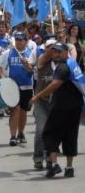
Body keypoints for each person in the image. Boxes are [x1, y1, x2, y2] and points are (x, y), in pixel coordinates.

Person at [29, 42, 85, 178]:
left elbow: (55, 84)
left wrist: (37, 96)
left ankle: (54, 165)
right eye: (55, 52)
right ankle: (69, 167)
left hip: (61, 107)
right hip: (75, 106)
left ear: (66, 52)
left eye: (60, 52)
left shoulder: (63, 67)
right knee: (70, 136)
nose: (57, 54)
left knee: (49, 134)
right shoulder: (73, 64)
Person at [0, 32, 33, 146]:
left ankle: (21, 133)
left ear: (26, 41)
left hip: (26, 86)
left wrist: (27, 65)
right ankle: (13, 136)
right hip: (13, 86)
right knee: (13, 111)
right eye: (17, 40)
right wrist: (2, 76)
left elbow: (31, 70)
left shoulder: (31, 53)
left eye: (21, 40)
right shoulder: (9, 52)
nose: (18, 42)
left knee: (23, 112)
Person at [27, 39, 56, 170]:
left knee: (53, 131)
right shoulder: (41, 60)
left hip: (55, 103)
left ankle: (51, 158)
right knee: (40, 130)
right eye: (49, 47)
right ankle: (38, 157)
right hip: (41, 102)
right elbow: (49, 54)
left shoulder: (61, 62)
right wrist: (59, 42)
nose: (53, 50)